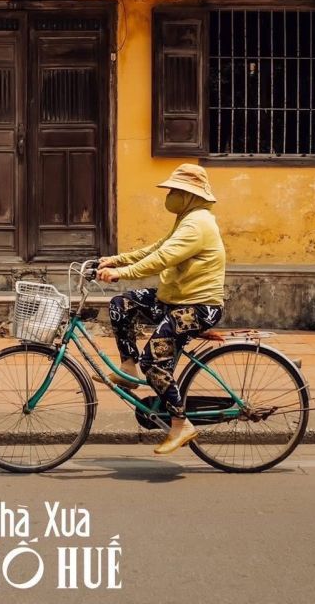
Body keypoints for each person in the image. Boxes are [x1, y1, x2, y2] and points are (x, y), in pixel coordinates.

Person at [97, 164, 226, 456]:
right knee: (122, 304)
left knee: (154, 362)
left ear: (189, 194)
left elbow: (164, 258)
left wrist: (123, 273)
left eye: (175, 190)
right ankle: (127, 367)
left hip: (198, 307)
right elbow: (156, 247)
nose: (169, 195)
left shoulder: (198, 224)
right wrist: (116, 260)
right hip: (174, 300)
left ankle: (181, 424)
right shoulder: (187, 218)